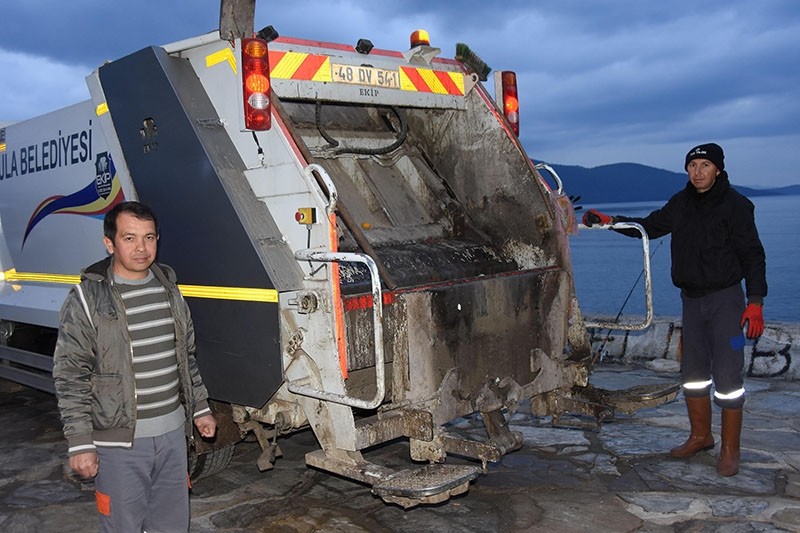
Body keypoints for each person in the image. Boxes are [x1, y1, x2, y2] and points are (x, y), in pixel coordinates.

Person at [582, 143, 766, 477]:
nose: (698, 171)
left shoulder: (737, 205)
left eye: (705, 165)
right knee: (693, 375)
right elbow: (648, 227)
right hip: (691, 302)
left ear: (718, 169)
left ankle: (730, 450)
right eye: (692, 165)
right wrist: (610, 222)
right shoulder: (680, 203)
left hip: (727, 302)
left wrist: (755, 302)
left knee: (728, 377)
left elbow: (753, 254)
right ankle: (700, 436)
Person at [53, 201, 217, 531]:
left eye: (149, 237)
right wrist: (80, 441)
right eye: (129, 238)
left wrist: (200, 408)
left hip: (172, 436)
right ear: (109, 243)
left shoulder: (169, 289)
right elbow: (71, 373)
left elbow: (185, 356)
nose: (141, 248)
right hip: (120, 445)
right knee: (122, 525)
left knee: (172, 525)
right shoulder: (87, 298)